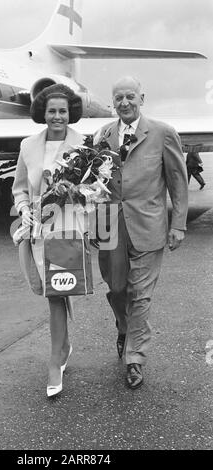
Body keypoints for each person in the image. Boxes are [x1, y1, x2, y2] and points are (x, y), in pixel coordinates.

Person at [94, 76, 188, 390]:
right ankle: (124, 326)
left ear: (141, 98)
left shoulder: (163, 133)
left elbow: (177, 180)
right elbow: (93, 184)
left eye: (130, 97)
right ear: (113, 101)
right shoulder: (102, 136)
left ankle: (135, 358)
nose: (124, 103)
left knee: (140, 294)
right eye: (118, 97)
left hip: (148, 225)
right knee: (116, 287)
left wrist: (178, 224)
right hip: (109, 224)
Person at [12, 84, 84, 397]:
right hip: (38, 229)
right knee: (50, 289)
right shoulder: (28, 145)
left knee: (56, 291)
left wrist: (76, 196)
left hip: (67, 226)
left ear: (71, 114)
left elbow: (95, 189)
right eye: (52, 111)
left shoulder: (84, 145)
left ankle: (55, 361)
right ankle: (65, 345)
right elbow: (19, 188)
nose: (57, 116)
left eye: (62, 111)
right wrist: (25, 210)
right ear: (43, 113)